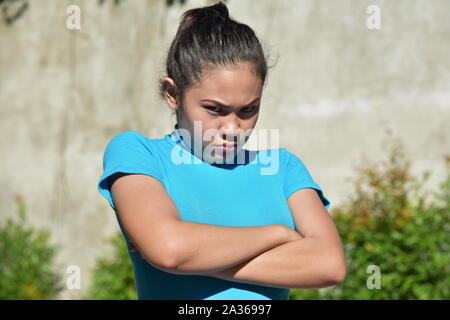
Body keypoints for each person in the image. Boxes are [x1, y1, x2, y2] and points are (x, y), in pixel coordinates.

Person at [97, 1, 345, 300]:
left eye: (248, 109)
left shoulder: (283, 168)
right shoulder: (139, 154)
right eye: (214, 109)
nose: (232, 128)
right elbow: (169, 249)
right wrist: (278, 235)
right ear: (172, 94)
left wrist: (195, 258)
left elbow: (329, 265)